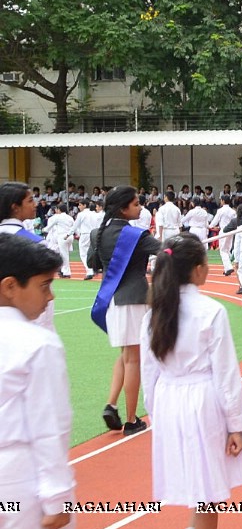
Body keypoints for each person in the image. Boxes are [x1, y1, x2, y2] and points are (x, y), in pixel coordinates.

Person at [141, 235, 242, 529]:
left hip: (170, 401)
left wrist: (154, 416)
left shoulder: (155, 311)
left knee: (201, 485)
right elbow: (227, 376)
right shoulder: (210, 311)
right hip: (203, 401)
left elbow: (150, 372)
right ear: (196, 270)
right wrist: (236, 426)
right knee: (209, 493)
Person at [0, 234, 75, 529]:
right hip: (23, 477)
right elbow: (49, 429)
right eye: (44, 286)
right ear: (10, 287)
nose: (50, 298)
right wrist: (56, 496)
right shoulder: (36, 343)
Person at [90, 185, 161, 435]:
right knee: (133, 359)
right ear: (123, 208)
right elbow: (164, 251)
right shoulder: (136, 235)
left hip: (111, 300)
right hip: (134, 300)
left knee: (124, 355)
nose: (140, 207)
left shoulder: (97, 233)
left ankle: (112, 404)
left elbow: (92, 262)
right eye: (136, 203)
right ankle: (132, 420)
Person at [0, 182, 56, 332]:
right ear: (15, 207)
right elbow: (43, 287)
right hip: (26, 318)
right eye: (30, 200)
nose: (35, 204)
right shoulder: (36, 243)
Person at [43, 204, 74, 278]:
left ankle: (66, 272)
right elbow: (74, 226)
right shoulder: (70, 217)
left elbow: (49, 227)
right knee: (65, 254)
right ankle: (64, 270)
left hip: (62, 236)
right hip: (70, 236)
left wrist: (43, 229)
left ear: (59, 210)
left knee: (64, 255)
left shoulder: (58, 217)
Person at [74, 200, 102, 279]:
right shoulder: (94, 214)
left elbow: (75, 225)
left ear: (85, 205)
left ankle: (90, 270)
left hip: (85, 234)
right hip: (93, 233)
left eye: (80, 205)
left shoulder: (81, 214)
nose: (79, 207)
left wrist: (69, 234)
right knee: (92, 252)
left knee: (83, 253)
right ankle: (94, 268)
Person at [212, 198, 237, 275]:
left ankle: (228, 267)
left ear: (223, 201)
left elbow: (215, 221)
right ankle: (227, 267)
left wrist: (209, 226)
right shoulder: (233, 211)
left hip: (223, 230)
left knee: (223, 250)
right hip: (231, 230)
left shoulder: (220, 210)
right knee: (227, 249)